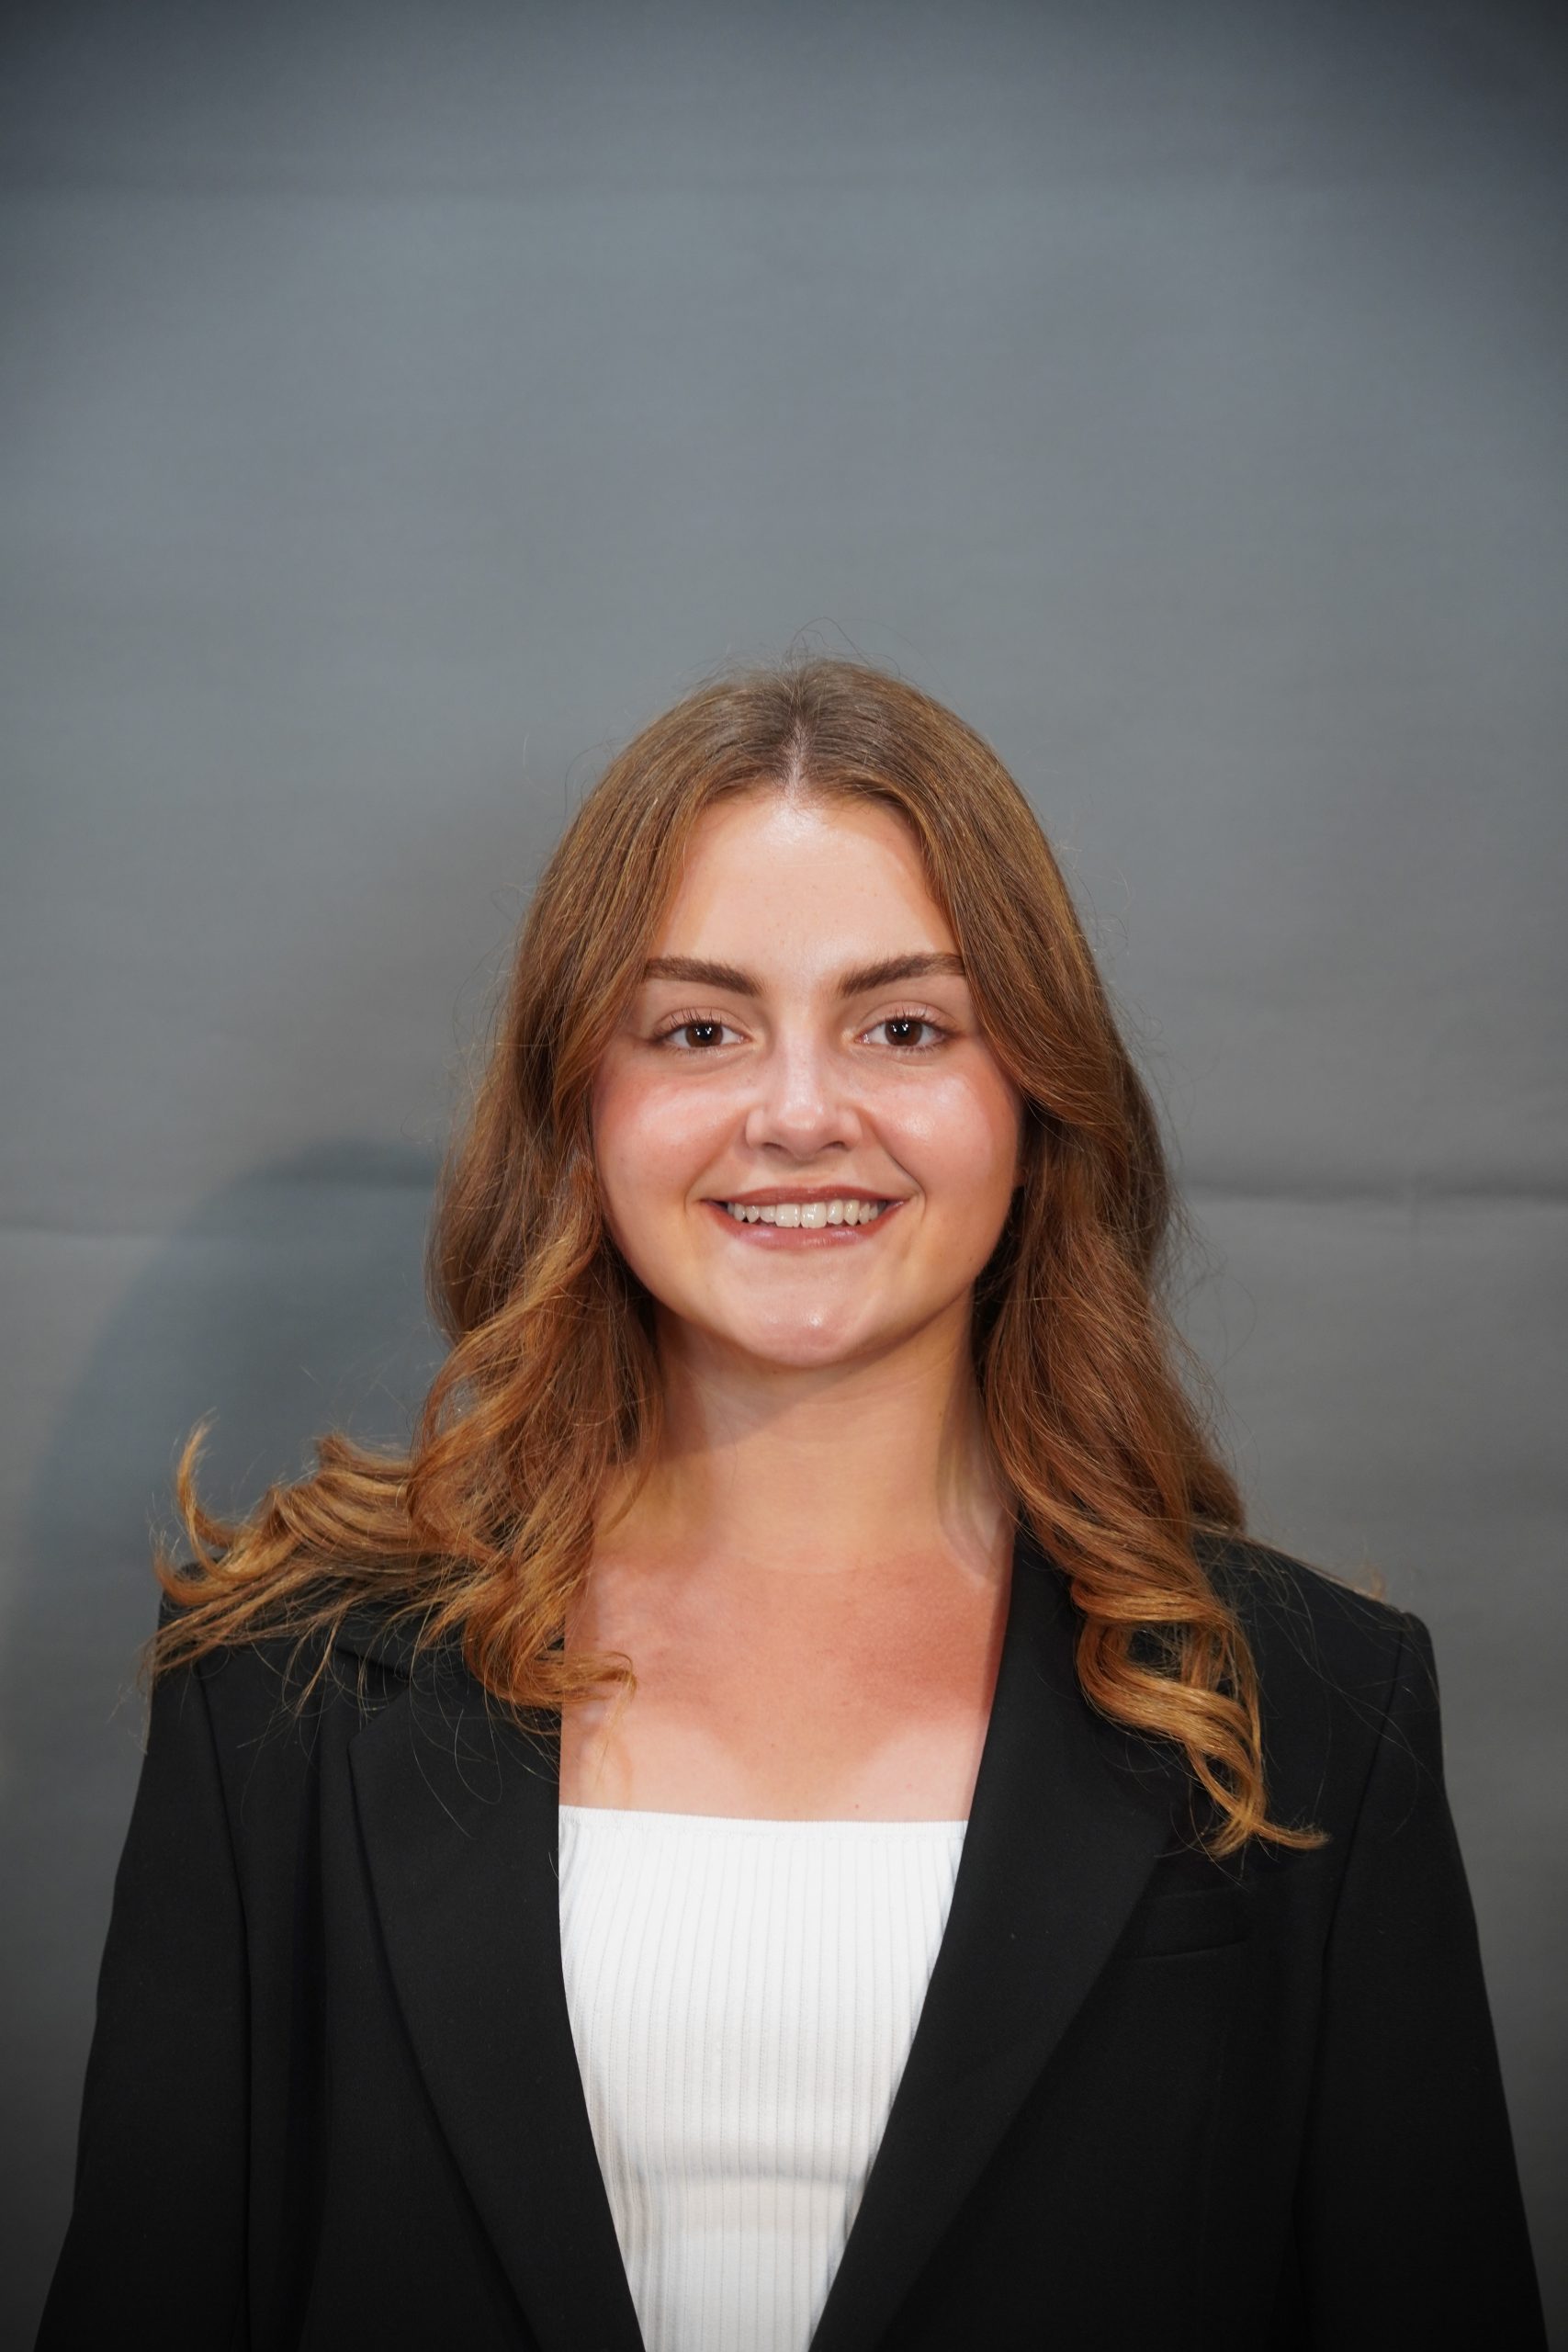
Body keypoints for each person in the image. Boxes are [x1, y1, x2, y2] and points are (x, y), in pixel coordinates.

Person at [39, 658, 1545, 2351]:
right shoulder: (280, 1693)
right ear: (578, 1103)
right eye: (700, 1030)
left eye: (905, 1027)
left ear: (1034, 1100)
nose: (802, 1115)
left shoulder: (1316, 1715)